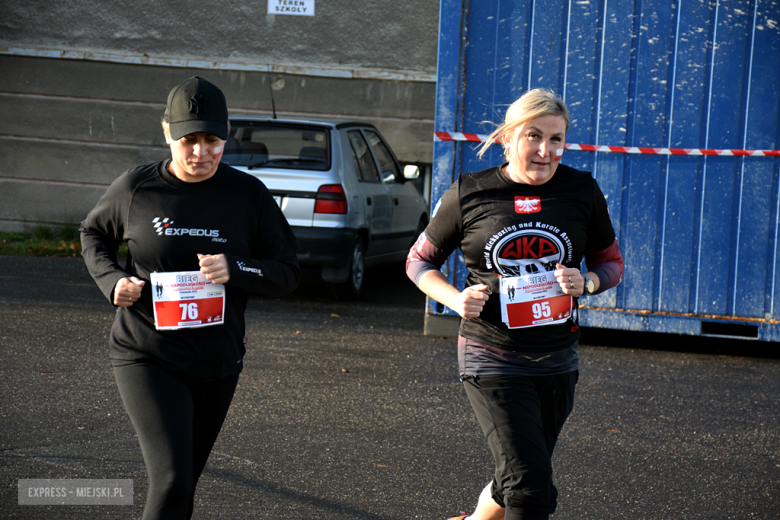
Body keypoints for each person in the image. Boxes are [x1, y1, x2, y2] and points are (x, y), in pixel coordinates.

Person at [80, 76, 300, 519]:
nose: (201, 152)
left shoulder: (247, 196)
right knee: (172, 480)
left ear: (227, 133)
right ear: (167, 134)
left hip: (217, 361)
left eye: (212, 140)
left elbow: (287, 273)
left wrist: (236, 267)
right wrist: (112, 282)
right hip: (147, 353)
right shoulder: (137, 188)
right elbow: (93, 234)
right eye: (189, 140)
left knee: (183, 486)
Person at [406, 88, 623, 520]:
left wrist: (589, 281)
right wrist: (454, 298)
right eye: (533, 136)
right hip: (492, 356)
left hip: (558, 359)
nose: (546, 151)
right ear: (508, 138)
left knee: (516, 476)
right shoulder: (471, 193)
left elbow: (611, 262)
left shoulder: (581, 190)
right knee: (531, 489)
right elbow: (418, 262)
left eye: (557, 139)